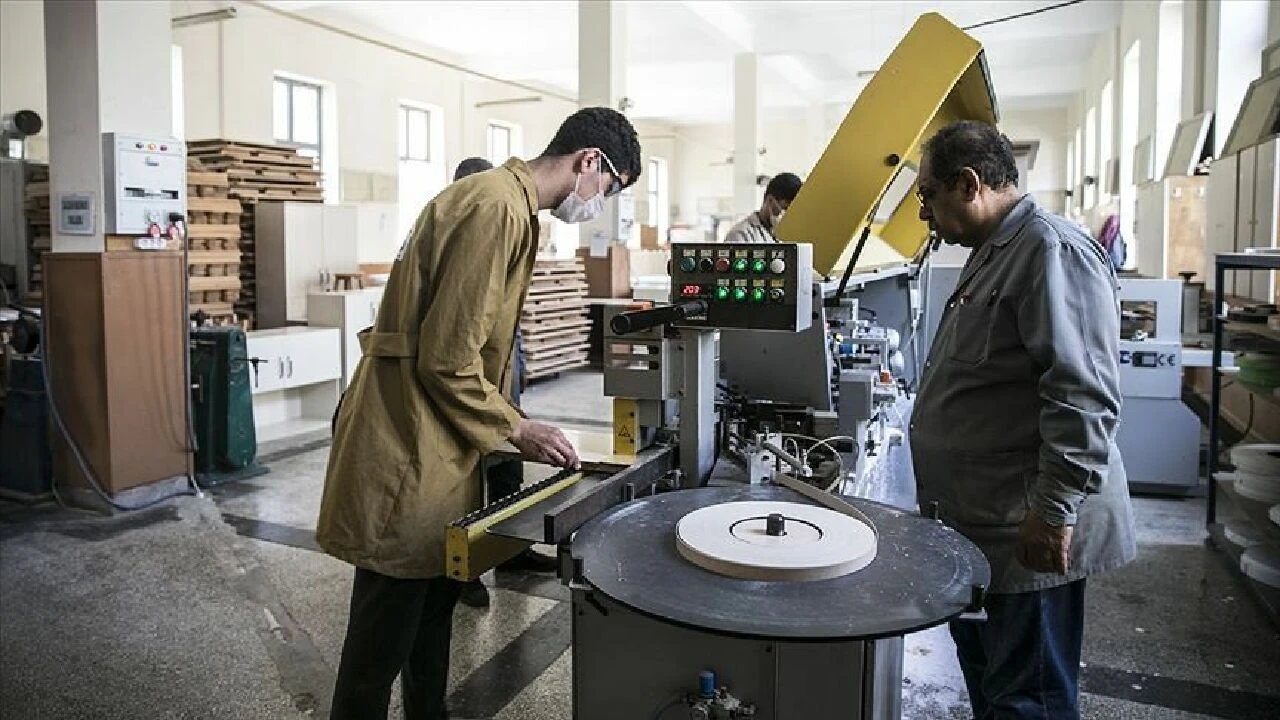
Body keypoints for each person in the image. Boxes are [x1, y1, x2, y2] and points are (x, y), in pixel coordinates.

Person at [318, 107, 642, 720]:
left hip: (443, 443)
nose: (601, 202)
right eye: (610, 187)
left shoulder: (509, 206)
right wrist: (517, 428)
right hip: (410, 443)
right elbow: (446, 360)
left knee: (430, 622)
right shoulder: (494, 207)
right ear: (589, 162)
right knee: (380, 644)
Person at [909, 120, 1136, 720]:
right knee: (995, 688)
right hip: (987, 524)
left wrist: (1053, 512)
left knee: (1028, 700)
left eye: (927, 194)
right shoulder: (995, 253)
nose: (923, 213)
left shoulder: (1049, 250)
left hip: (1026, 530)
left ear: (968, 184)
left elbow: (1082, 395)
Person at [444, 158, 558, 611]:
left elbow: (503, 315)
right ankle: (464, 568)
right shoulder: (470, 225)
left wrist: (519, 362)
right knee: (467, 475)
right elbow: (455, 338)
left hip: (500, 372)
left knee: (509, 465)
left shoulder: (504, 216)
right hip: (467, 387)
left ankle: (511, 549)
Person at [723, 172, 802, 243]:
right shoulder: (740, 234)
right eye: (784, 209)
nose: (786, 215)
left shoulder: (786, 235)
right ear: (770, 200)